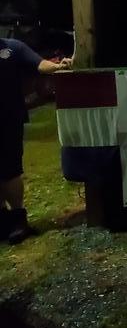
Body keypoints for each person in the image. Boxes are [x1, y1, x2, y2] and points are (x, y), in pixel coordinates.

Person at [0, 38, 72, 244]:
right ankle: (2, 220)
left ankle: (18, 219)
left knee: (10, 171)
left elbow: (40, 65)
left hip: (8, 120)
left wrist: (58, 66)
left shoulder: (12, 48)